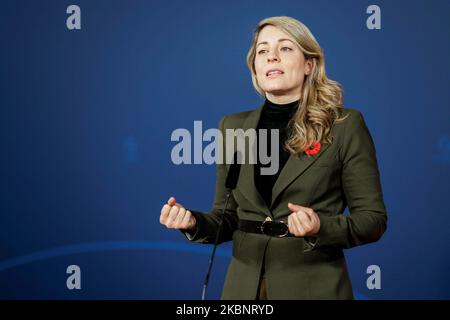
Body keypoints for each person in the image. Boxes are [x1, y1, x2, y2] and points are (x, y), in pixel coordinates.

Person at [159, 16, 387, 300]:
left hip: (314, 287)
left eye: (286, 48)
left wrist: (320, 226)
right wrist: (191, 222)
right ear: (254, 66)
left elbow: (373, 220)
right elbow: (226, 218)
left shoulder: (345, 125)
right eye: (263, 51)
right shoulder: (232, 127)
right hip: (242, 290)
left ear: (309, 65)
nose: (272, 57)